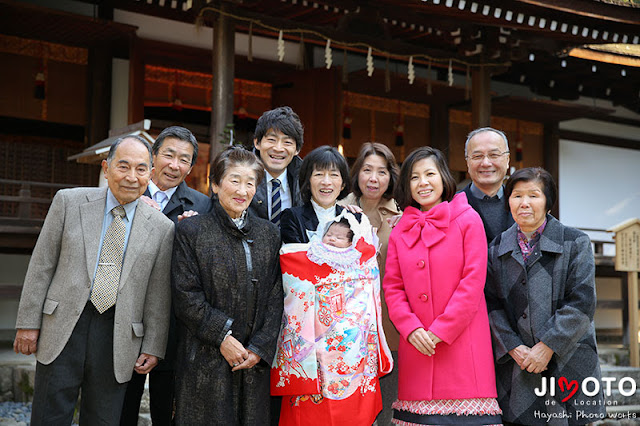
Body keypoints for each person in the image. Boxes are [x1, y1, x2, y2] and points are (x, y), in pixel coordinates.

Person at [13, 135, 174, 425]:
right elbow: (42, 265)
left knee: (103, 419)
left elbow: (157, 291)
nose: (131, 177)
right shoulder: (69, 201)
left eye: (140, 169)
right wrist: (27, 323)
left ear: (150, 174)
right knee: (49, 415)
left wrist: (153, 345)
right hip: (63, 325)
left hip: (118, 333)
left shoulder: (162, 227)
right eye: (123, 166)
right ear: (106, 167)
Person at [384, 146, 501, 425]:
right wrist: (411, 328)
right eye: (414, 177)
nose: (423, 183)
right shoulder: (400, 229)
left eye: (429, 174)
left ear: (444, 177)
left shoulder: (468, 219)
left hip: (463, 344)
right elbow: (393, 286)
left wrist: (440, 331)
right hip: (417, 346)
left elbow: (472, 283)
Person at [171, 146, 284, 425]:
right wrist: (223, 336)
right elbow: (186, 295)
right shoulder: (192, 231)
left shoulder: (269, 234)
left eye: (250, 183)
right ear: (215, 184)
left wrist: (259, 347)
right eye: (234, 180)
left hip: (253, 361)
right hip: (204, 357)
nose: (242, 190)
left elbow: (276, 295)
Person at [485, 167, 605, 425]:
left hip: (569, 361)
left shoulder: (575, 242)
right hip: (518, 365)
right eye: (517, 196)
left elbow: (582, 302)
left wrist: (547, 346)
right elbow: (491, 304)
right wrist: (514, 347)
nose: (524, 203)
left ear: (548, 202)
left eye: (534, 195)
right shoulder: (496, 248)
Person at [121, 126, 211, 426]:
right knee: (122, 403)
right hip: (126, 310)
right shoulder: (128, 192)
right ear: (154, 155)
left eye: (184, 159)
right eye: (168, 155)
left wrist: (194, 234)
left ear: (191, 167)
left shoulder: (202, 206)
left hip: (174, 318)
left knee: (167, 406)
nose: (175, 165)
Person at [272, 211, 393, 425]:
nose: (332, 239)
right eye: (329, 234)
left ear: (351, 241)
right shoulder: (310, 256)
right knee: (311, 408)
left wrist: (362, 222)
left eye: (339, 237)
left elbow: (367, 298)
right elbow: (289, 261)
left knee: (353, 408)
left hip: (351, 349)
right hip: (316, 347)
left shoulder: (360, 261)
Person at [338, 142, 401, 425]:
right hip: (346, 329)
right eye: (367, 170)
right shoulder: (337, 212)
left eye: (382, 171)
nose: (373, 178)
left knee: (388, 410)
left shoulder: (403, 215)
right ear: (357, 174)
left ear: (391, 177)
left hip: (389, 326)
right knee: (351, 411)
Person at [280, 145, 354, 244]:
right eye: (319, 174)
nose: (326, 182)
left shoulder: (353, 219)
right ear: (307, 182)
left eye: (334, 175)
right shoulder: (292, 218)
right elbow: (294, 256)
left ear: (343, 184)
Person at [251, 106, 304, 226]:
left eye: (287, 142)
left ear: (297, 150)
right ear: (257, 143)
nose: (278, 148)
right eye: (271, 139)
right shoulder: (240, 178)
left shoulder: (306, 182)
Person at [461, 127, 514, 243]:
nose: (485, 163)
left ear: (507, 160)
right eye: (477, 156)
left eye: (494, 155)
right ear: (467, 162)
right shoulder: (452, 206)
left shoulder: (521, 203)